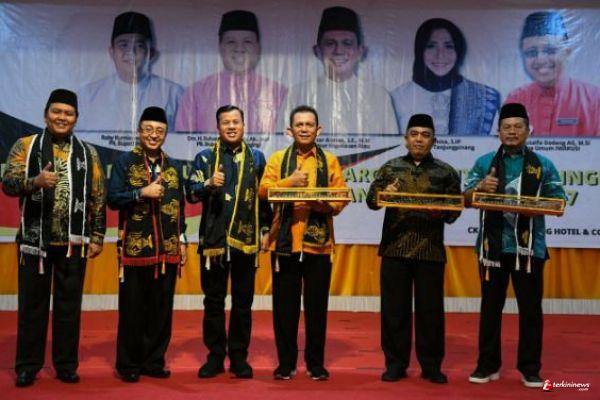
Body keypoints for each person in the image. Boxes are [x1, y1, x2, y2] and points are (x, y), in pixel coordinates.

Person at [2, 89, 106, 387]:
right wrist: (33, 182)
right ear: (46, 114)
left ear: (76, 118)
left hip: (73, 244)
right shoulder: (26, 146)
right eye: (57, 111)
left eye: (68, 113)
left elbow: (98, 196)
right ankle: (27, 366)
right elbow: (8, 184)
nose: (62, 117)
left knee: (68, 307)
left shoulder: (88, 153)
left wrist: (97, 235)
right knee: (31, 307)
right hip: (34, 243)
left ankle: (65, 365)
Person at [463, 103, 566, 388]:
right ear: (498, 132)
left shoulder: (543, 165)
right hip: (491, 249)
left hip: (530, 249)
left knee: (531, 311)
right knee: (490, 309)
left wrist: (536, 205)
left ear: (528, 130)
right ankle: (487, 365)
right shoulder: (484, 163)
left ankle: (530, 369)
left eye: (517, 127)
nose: (511, 131)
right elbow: (465, 199)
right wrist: (479, 189)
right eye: (506, 127)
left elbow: (559, 202)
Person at [366, 114, 461, 384]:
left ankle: (431, 365)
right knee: (394, 311)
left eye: (425, 135)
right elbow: (372, 201)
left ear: (434, 140)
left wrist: (440, 212)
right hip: (394, 249)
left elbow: (454, 210)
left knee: (430, 312)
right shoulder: (390, 168)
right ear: (406, 139)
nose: (419, 139)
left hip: (430, 250)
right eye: (414, 134)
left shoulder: (446, 172)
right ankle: (395, 364)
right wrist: (385, 193)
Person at [259, 105, 349, 380]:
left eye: (309, 124)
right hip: (284, 244)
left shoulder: (329, 161)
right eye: (299, 125)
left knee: (316, 308)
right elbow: (263, 192)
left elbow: (340, 197)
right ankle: (285, 363)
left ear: (318, 129)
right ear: (290, 130)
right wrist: (291, 181)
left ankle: (315, 363)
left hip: (318, 246)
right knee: (284, 309)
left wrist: (322, 205)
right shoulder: (277, 159)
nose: (304, 129)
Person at [186, 105, 271, 379]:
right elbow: (190, 193)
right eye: (226, 122)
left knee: (243, 302)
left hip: (246, 241)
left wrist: (266, 228)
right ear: (218, 127)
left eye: (236, 122)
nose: (231, 126)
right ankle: (214, 356)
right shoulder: (204, 157)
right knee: (213, 302)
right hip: (214, 241)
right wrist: (208, 183)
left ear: (244, 125)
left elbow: (264, 199)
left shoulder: (257, 158)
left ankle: (238, 357)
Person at [107, 106, 187, 383]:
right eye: (149, 129)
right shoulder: (124, 162)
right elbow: (113, 198)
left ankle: (154, 361)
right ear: (139, 131)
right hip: (135, 248)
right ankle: (128, 363)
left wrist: (183, 239)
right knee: (132, 309)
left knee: (161, 309)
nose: (154, 135)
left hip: (167, 250)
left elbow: (180, 207)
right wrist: (141, 192)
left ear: (166, 134)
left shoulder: (173, 166)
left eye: (160, 131)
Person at [282, 7, 397, 135]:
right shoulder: (297, 95)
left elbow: (391, 146)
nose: (339, 51)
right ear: (317, 51)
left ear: (360, 51)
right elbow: (282, 143)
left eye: (347, 43)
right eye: (330, 43)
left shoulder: (379, 97)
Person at [176, 10, 287, 135]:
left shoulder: (279, 94)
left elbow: (286, 141)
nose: (239, 48)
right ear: (220, 47)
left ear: (257, 47)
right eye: (231, 42)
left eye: (247, 41)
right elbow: (183, 142)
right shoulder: (195, 93)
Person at [78, 11, 183, 138]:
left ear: (151, 53)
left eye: (139, 46)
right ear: (112, 52)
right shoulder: (88, 96)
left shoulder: (174, 94)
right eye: (123, 45)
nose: (131, 52)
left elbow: (186, 143)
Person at [391, 18, 500, 136]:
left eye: (449, 46)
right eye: (431, 46)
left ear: (458, 51)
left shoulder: (484, 97)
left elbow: (493, 144)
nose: (440, 55)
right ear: (420, 50)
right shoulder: (398, 97)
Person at [505, 11, 600, 136]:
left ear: (567, 53)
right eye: (531, 53)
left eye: (550, 51)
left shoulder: (593, 99)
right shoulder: (517, 99)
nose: (541, 59)